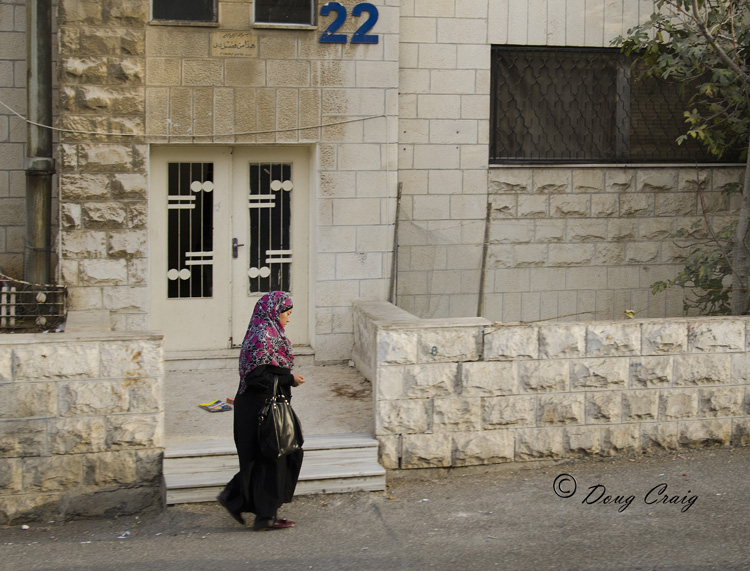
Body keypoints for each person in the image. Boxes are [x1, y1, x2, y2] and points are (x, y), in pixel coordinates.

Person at [218, 291, 305, 530]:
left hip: (260, 405)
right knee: (274, 457)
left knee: (270, 458)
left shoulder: (264, 333)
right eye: (286, 314)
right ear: (274, 313)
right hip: (260, 408)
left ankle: (238, 500)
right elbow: (258, 377)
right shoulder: (263, 335)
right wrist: (290, 379)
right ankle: (264, 516)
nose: (288, 319)